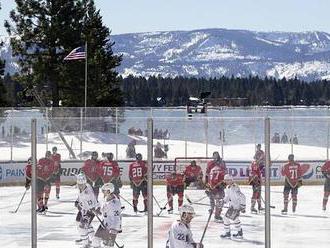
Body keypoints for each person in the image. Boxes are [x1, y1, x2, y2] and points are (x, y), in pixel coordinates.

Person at [91, 183, 122, 248]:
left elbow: (117, 218)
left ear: (109, 191)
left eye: (104, 191)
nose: (102, 192)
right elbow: (102, 211)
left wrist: (113, 231)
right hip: (104, 223)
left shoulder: (115, 203)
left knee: (108, 245)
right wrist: (96, 211)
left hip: (112, 226)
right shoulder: (105, 199)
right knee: (95, 241)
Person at [74, 173, 100, 248]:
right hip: (84, 209)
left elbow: (91, 207)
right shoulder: (85, 185)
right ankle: (93, 240)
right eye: (79, 184)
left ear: (84, 183)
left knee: (82, 226)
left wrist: (84, 213)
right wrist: (77, 201)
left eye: (82, 184)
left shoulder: (88, 194)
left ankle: (86, 243)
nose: (80, 186)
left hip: (90, 211)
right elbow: (80, 196)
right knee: (78, 222)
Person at [220, 175, 246, 239]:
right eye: (225, 180)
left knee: (225, 218)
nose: (226, 181)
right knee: (235, 219)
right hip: (232, 206)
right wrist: (223, 201)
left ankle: (227, 233)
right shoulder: (228, 187)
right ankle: (239, 233)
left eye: (228, 180)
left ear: (231, 180)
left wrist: (243, 206)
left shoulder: (235, 188)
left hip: (235, 207)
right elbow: (228, 197)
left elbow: (242, 197)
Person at [206, 154, 227, 222]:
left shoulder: (212, 169)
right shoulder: (221, 170)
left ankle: (212, 209)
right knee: (220, 201)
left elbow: (209, 177)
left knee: (212, 199)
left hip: (211, 187)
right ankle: (217, 216)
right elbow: (223, 180)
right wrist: (222, 185)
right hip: (217, 189)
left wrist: (209, 186)